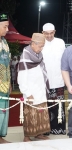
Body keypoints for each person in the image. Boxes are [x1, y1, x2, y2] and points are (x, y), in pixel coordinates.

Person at [18, 33, 50, 142]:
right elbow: (21, 78)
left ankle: (39, 134)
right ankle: (27, 136)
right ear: (33, 44)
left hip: (40, 90)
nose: (41, 48)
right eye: (40, 46)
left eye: (42, 46)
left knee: (41, 114)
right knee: (30, 115)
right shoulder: (25, 56)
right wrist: (27, 93)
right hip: (31, 91)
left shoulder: (39, 56)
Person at [42, 23, 66, 135]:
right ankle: (46, 130)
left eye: (51, 33)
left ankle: (59, 129)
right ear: (43, 33)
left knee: (59, 106)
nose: (49, 36)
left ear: (54, 32)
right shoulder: (40, 43)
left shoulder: (61, 42)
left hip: (58, 80)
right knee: (46, 107)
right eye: (46, 33)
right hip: (44, 82)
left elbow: (65, 61)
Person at [0, 12, 12, 144]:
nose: (7, 29)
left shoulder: (4, 42)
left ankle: (1, 136)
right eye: (5, 26)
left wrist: (8, 83)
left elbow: (7, 64)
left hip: (4, 83)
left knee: (3, 111)